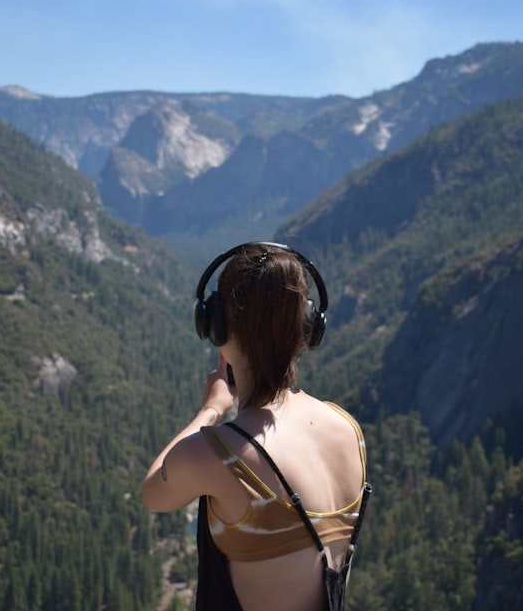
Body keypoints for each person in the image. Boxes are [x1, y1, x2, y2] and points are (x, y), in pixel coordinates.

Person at [142, 242, 371, 611]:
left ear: (215, 326)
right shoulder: (348, 430)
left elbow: (153, 492)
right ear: (308, 328)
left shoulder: (216, 455)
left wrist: (211, 410)